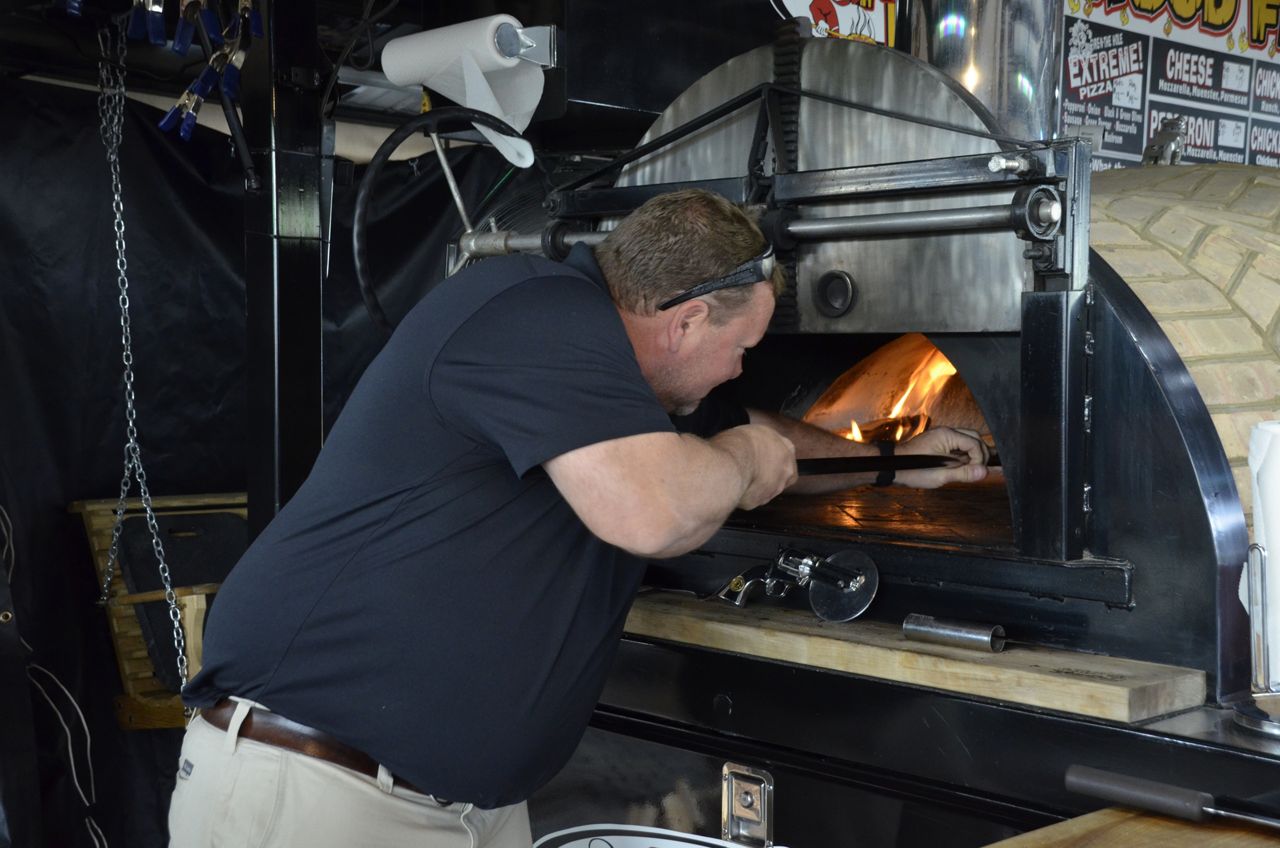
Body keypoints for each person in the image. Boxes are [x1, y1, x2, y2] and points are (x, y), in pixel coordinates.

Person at [167, 189, 987, 848]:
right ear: (687, 319)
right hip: (319, 793)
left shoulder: (624, 383)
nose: (746, 366)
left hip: (460, 805)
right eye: (745, 345)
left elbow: (764, 439)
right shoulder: (535, 314)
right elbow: (660, 507)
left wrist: (910, 462)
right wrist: (740, 459)